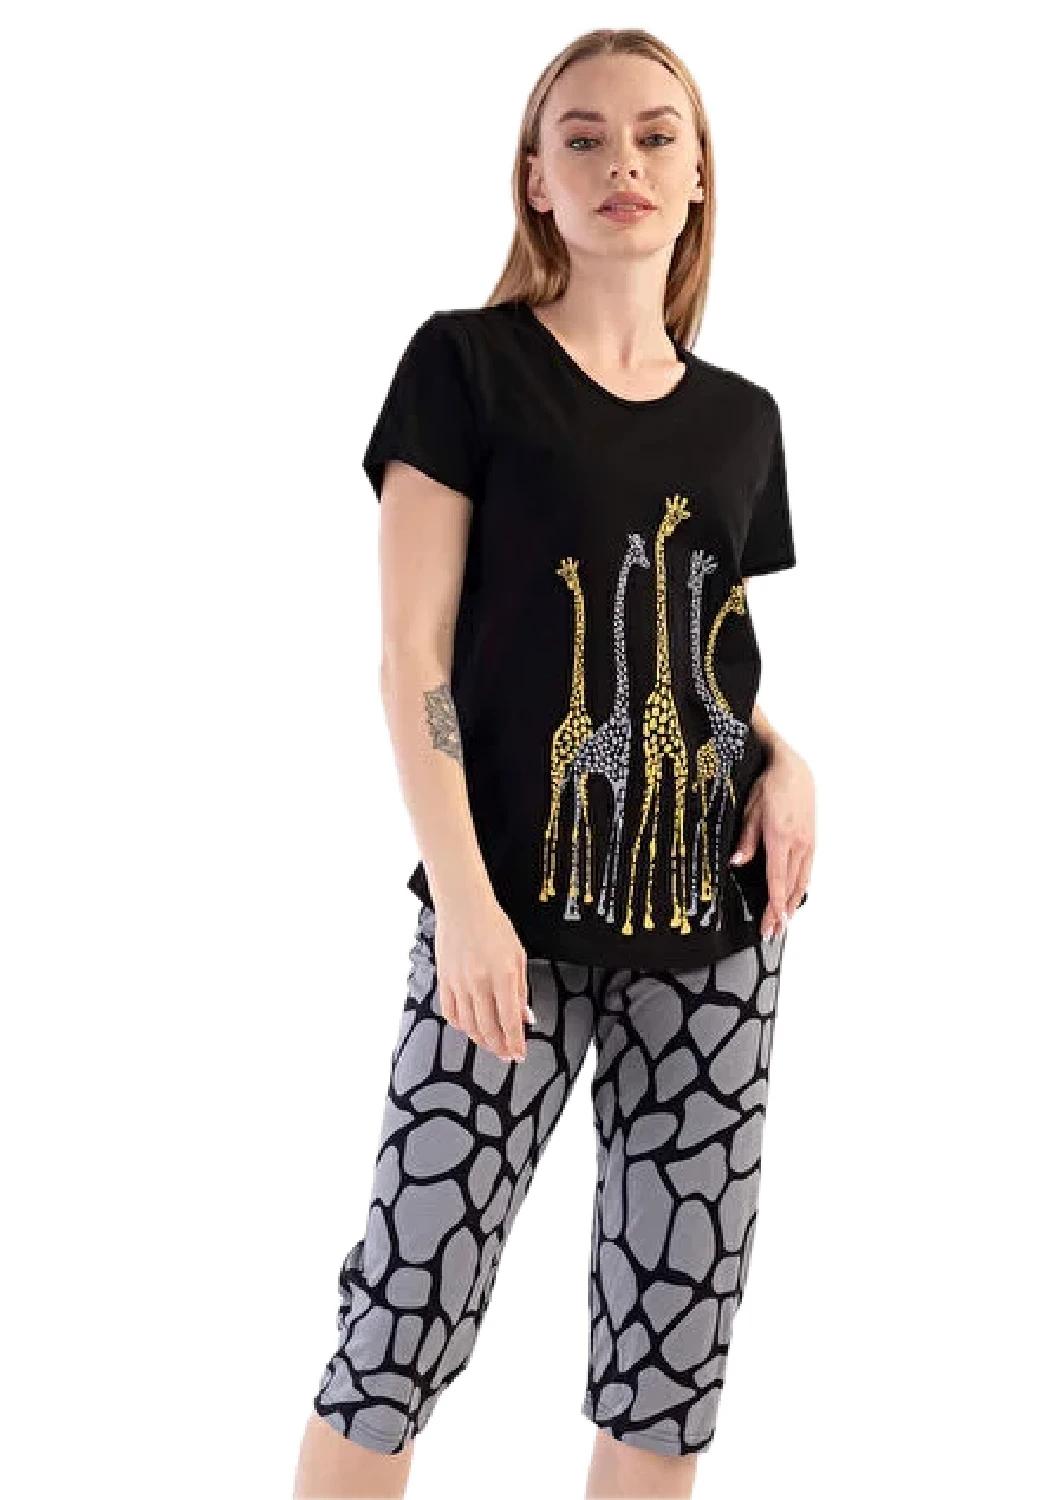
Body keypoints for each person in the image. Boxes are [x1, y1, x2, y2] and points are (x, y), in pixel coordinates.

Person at [293, 26, 817, 1500]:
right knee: (401, 1320)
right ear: (535, 180)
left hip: (714, 935)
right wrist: (465, 904)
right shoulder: (465, 367)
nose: (620, 162)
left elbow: (695, 656)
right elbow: (414, 658)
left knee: (672, 1357)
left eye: (656, 135)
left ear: (698, 175)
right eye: (581, 137)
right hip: (504, 927)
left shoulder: (742, 420)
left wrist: (786, 757)